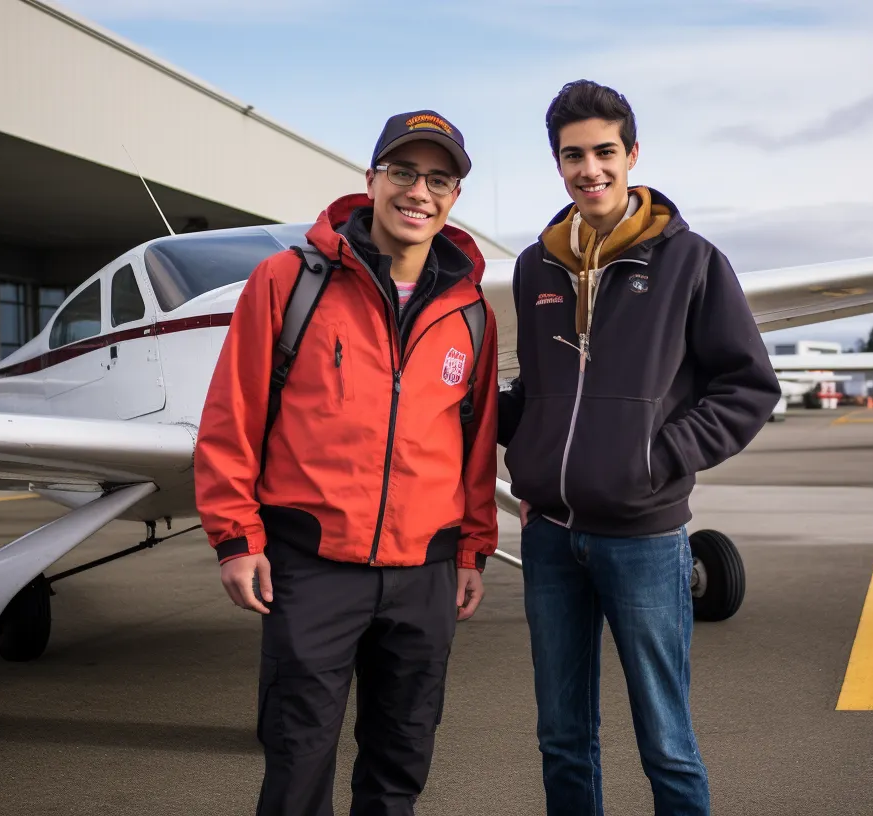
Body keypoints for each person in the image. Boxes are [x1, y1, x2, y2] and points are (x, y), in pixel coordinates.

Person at [194, 109, 499, 816]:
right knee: (298, 761)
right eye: (403, 172)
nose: (418, 191)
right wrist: (236, 540)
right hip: (312, 566)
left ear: (453, 198)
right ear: (371, 180)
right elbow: (230, 417)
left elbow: (473, 448)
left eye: (438, 179)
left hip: (424, 571)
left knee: (401, 763)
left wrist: (473, 550)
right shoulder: (287, 281)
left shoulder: (471, 313)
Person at [497, 80, 781, 815]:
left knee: (666, 742)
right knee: (562, 737)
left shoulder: (691, 260)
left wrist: (657, 458)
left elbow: (748, 386)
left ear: (632, 155)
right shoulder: (536, 267)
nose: (589, 169)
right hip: (551, 536)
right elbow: (540, 391)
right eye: (572, 156)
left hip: (645, 538)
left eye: (603, 152)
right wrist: (488, 424)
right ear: (557, 163)